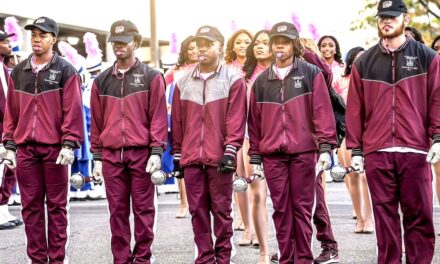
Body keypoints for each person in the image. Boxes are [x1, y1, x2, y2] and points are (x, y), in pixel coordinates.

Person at [346, 0, 439, 262]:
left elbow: (437, 99)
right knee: (384, 221)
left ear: (405, 20)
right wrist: (356, 149)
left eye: (393, 16)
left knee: (419, 217)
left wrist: (438, 137)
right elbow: (355, 109)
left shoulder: (427, 57)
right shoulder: (363, 62)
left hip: (415, 150)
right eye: (383, 17)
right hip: (378, 152)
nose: (387, 21)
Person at [248, 22, 337, 264]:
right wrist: (255, 157)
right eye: (276, 41)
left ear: (294, 44)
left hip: (304, 152)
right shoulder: (260, 81)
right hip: (272, 155)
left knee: (302, 208)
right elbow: (254, 123)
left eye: (285, 41)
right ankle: (287, 259)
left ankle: (304, 259)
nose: (279, 45)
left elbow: (322, 112)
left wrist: (326, 147)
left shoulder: (311, 73)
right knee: (281, 210)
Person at [3, 16, 84, 263]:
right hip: (26, 150)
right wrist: (9, 144)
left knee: (57, 207)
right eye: (34, 35)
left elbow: (73, 110)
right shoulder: (18, 71)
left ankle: (57, 259)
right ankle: (37, 259)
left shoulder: (66, 70)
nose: (37, 39)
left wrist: (69, 142)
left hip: (56, 151)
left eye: (43, 35)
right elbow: (11, 111)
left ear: (54, 39)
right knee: (31, 208)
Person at [90, 20, 168, 263]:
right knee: (117, 213)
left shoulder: (152, 77)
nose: (119, 47)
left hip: (142, 155)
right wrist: (97, 159)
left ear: (136, 43)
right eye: (115, 42)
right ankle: (121, 259)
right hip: (112, 156)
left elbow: (158, 117)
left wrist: (156, 151)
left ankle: (143, 258)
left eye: (124, 43)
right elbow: (97, 123)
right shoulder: (101, 81)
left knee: (144, 211)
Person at [171, 25, 246, 264]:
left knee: (222, 211)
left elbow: (236, 119)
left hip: (220, 157)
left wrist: (231, 150)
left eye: (207, 44)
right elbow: (178, 122)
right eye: (198, 44)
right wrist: (177, 155)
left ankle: (223, 258)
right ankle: (204, 258)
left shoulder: (234, 79)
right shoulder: (182, 82)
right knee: (198, 212)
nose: (201, 48)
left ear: (220, 48)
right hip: (192, 158)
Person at [241, 29, 272, 263]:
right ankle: (264, 250)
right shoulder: (244, 76)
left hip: (282, 139)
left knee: (286, 198)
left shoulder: (286, 72)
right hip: (251, 139)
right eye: (256, 43)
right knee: (257, 193)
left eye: (265, 42)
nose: (259, 46)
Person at [225, 28, 255, 245]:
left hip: (256, 127)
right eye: (239, 42)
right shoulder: (226, 69)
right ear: (232, 46)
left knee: (254, 180)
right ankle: (246, 227)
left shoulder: (258, 68)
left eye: (247, 41)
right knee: (239, 178)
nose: (243, 45)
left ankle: (254, 228)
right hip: (236, 127)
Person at [163, 36, 198, 218]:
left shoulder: (209, 68)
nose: (194, 51)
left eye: (197, 47)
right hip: (178, 119)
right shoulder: (176, 71)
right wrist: (165, 106)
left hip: (199, 121)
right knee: (180, 162)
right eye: (190, 48)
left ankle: (196, 202)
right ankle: (184, 203)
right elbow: (159, 87)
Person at [0, 29, 23, 230]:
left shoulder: (4, 68)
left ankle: (3, 208)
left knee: (8, 171)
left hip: (8, 128)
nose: (9, 44)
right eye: (5, 41)